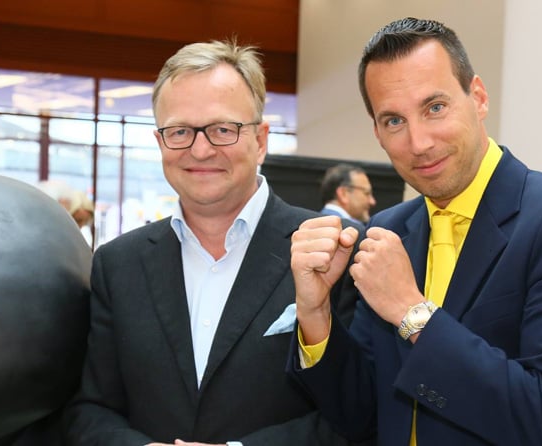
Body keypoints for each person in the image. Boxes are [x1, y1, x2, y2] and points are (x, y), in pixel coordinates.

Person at [288, 17, 542, 445]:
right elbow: (361, 415)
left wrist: (412, 313)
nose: (419, 142)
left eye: (435, 107)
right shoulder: (389, 230)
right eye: (394, 121)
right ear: (377, 132)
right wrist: (315, 314)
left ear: (478, 97)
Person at [63, 38, 360, 446]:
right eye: (180, 131)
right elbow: (90, 411)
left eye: (222, 129)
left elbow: (358, 416)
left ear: (261, 140)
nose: (200, 150)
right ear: (160, 142)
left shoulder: (334, 251)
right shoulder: (118, 264)